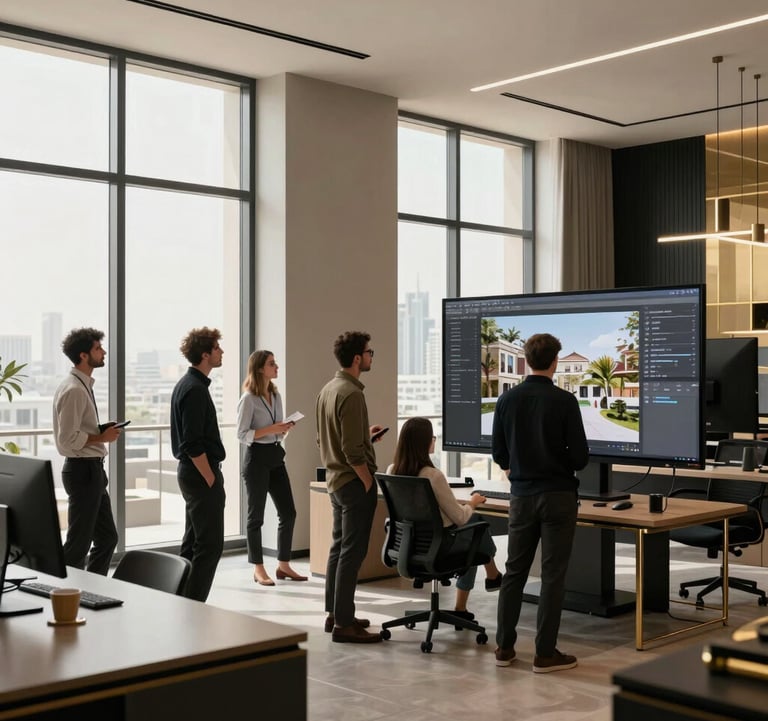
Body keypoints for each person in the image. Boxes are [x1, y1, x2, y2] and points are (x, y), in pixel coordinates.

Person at [491, 332, 589, 673]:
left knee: (514, 572)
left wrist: (518, 469)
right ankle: (545, 654)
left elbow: (499, 453)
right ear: (555, 361)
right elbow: (579, 458)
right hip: (559, 497)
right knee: (552, 576)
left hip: (521, 497)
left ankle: (504, 648)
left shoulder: (506, 400)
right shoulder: (565, 401)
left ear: (526, 359)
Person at [386, 417, 502, 619]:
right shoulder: (433, 475)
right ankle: (488, 580)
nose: (434, 440)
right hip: (438, 548)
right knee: (475, 526)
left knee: (473, 529)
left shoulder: (392, 470)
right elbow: (459, 518)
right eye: (432, 437)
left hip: (408, 545)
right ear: (424, 442)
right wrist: (472, 503)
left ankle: (491, 577)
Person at [315, 331, 385, 643]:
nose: (371, 357)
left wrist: (365, 436)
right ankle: (344, 624)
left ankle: (336, 613)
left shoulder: (328, 389)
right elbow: (352, 452)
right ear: (357, 358)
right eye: (370, 353)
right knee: (351, 554)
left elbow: (325, 439)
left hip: (334, 481)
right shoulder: (352, 394)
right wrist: (368, 481)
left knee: (338, 548)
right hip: (353, 483)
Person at [52, 327, 120, 575]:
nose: (103, 352)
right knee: (78, 544)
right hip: (83, 471)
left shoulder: (81, 385)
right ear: (83, 355)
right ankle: (65, 595)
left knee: (107, 538)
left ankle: (92, 588)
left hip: (92, 470)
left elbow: (78, 429)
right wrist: (101, 437)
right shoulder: (74, 390)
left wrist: (100, 430)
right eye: (98, 348)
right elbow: (67, 439)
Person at [236, 350, 306, 586]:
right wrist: (272, 429)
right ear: (259, 369)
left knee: (288, 512)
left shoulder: (276, 395)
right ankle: (258, 568)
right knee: (255, 517)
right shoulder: (248, 399)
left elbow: (277, 429)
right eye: (272, 364)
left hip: (276, 455)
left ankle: (283, 565)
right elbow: (242, 434)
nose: (277, 367)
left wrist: (284, 429)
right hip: (256, 459)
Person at [170, 327, 227, 602]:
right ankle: (193, 605)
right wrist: (211, 478)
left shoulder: (188, 384)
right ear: (205, 354)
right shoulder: (194, 389)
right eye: (217, 348)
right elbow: (192, 443)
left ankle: (181, 601)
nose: (221, 353)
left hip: (193, 474)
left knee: (192, 544)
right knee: (210, 546)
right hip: (199, 474)